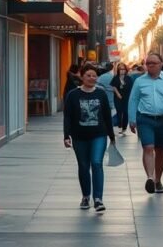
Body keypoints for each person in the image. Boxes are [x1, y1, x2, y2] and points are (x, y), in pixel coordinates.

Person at [63, 63, 116, 213]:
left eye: (94, 75)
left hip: (99, 135)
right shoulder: (73, 95)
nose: (92, 78)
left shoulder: (101, 94)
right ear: (82, 76)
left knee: (96, 163)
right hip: (79, 136)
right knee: (83, 166)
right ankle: (86, 196)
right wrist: (66, 136)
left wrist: (111, 135)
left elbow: (106, 116)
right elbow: (67, 117)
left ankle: (98, 199)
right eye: (88, 75)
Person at [129, 52, 163, 194]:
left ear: (161, 64)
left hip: (162, 119)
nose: (150, 66)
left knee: (160, 150)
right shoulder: (139, 81)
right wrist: (132, 119)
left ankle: (158, 180)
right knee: (148, 147)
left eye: (153, 63)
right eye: (148, 63)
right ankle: (150, 178)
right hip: (144, 118)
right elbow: (133, 100)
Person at [112, 62, 134, 134]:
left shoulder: (129, 78)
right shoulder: (115, 77)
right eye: (120, 69)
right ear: (118, 70)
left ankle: (124, 127)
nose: (122, 70)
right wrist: (117, 93)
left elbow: (132, 88)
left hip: (127, 97)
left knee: (125, 112)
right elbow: (114, 86)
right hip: (118, 97)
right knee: (119, 110)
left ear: (125, 70)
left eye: (123, 69)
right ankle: (119, 124)